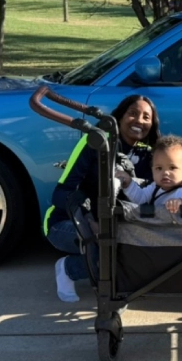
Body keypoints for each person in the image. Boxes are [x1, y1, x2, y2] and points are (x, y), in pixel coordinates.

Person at [46, 95, 160, 303]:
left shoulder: (149, 155)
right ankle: (68, 268)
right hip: (67, 223)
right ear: (119, 117)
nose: (139, 120)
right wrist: (90, 220)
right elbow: (61, 194)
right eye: (133, 113)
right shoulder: (96, 142)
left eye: (146, 117)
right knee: (109, 251)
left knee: (127, 252)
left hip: (115, 226)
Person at [115, 134, 182, 213]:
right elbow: (141, 198)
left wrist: (181, 203)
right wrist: (129, 183)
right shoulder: (155, 186)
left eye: (172, 168)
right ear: (152, 169)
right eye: (159, 168)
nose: (165, 172)